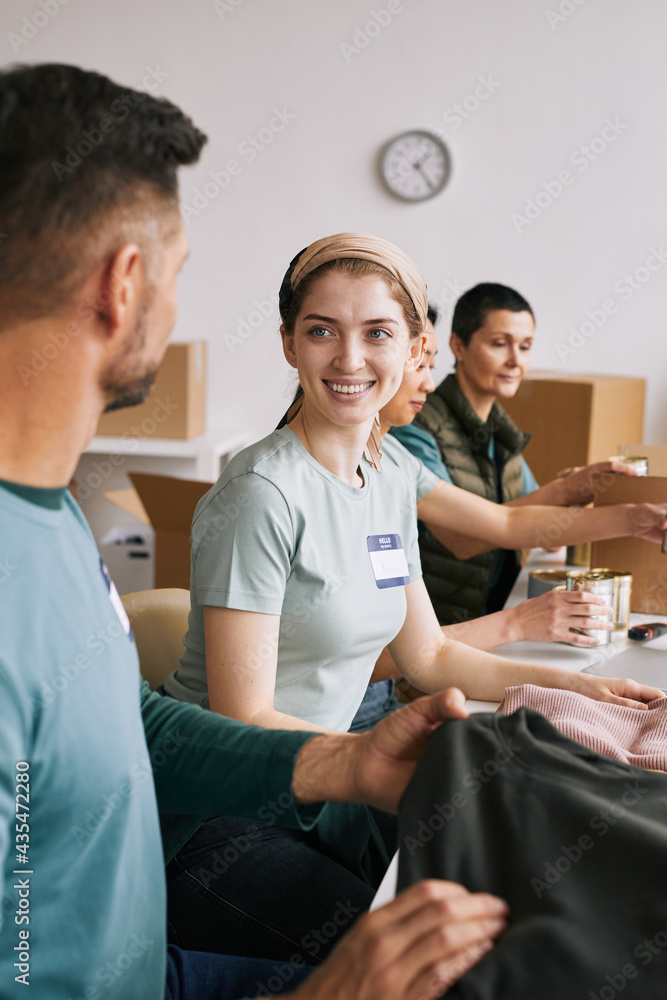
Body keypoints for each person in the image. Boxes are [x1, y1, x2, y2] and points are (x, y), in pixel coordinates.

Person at [0, 62, 514, 1000]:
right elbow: (22, 953)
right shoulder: (234, 497)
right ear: (125, 283)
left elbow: (130, 722)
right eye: (179, 273)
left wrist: (342, 761)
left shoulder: (57, 514)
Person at [350, 304, 624, 730]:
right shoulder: (409, 439)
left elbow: (513, 524)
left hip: (392, 688)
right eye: (500, 344)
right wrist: (519, 623)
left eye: (526, 346)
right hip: (378, 696)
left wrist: (633, 516)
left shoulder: (398, 464)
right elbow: (478, 535)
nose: (427, 381)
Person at [392, 287, 634, 626]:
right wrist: (565, 493)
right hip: (438, 626)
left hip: (492, 612)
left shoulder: (499, 429)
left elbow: (537, 522)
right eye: (499, 344)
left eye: (525, 347)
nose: (516, 361)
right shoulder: (411, 425)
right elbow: (460, 540)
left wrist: (574, 491)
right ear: (457, 346)